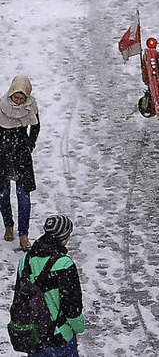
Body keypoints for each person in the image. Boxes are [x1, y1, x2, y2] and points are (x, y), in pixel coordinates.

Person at [13, 214, 85, 356]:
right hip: (60, 337)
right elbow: (72, 308)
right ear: (63, 238)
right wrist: (78, 327)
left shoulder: (25, 260)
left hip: (34, 336)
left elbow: (19, 298)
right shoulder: (64, 264)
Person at [0, 75, 40, 250]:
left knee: (23, 196)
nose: (17, 100)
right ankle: (9, 225)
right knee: (3, 194)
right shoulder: (1, 106)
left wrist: (30, 144)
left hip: (22, 156)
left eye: (21, 97)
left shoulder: (31, 107)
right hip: (2, 154)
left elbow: (36, 126)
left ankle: (24, 233)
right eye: (15, 97)